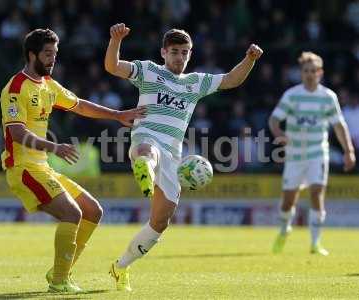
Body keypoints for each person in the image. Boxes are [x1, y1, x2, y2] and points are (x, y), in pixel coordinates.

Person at [104, 23, 263, 292]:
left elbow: (232, 79)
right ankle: (145, 169)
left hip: (173, 155)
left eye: (185, 52)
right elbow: (113, 66)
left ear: (190, 54)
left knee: (160, 222)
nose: (180, 57)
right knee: (147, 151)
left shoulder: (195, 82)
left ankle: (120, 267)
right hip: (147, 138)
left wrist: (249, 59)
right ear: (163, 52)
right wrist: (115, 40)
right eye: (175, 51)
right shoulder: (148, 71)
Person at [0, 28, 145, 293]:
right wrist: (54, 147)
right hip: (22, 169)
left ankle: (59, 272)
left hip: (41, 167)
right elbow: (16, 133)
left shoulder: (49, 85)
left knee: (93, 210)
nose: (53, 59)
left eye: (55, 54)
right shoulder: (16, 88)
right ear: (32, 55)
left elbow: (79, 105)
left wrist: (117, 114)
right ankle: (59, 280)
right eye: (47, 54)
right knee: (72, 213)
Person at [269, 51, 356, 256]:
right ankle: (284, 230)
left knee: (317, 194)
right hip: (295, 155)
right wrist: (280, 134)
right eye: (306, 71)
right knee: (289, 200)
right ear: (301, 73)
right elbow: (273, 120)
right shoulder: (292, 95)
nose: (309, 74)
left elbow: (339, 126)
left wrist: (348, 150)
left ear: (320, 72)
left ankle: (316, 243)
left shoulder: (328, 97)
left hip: (318, 153)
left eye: (313, 71)